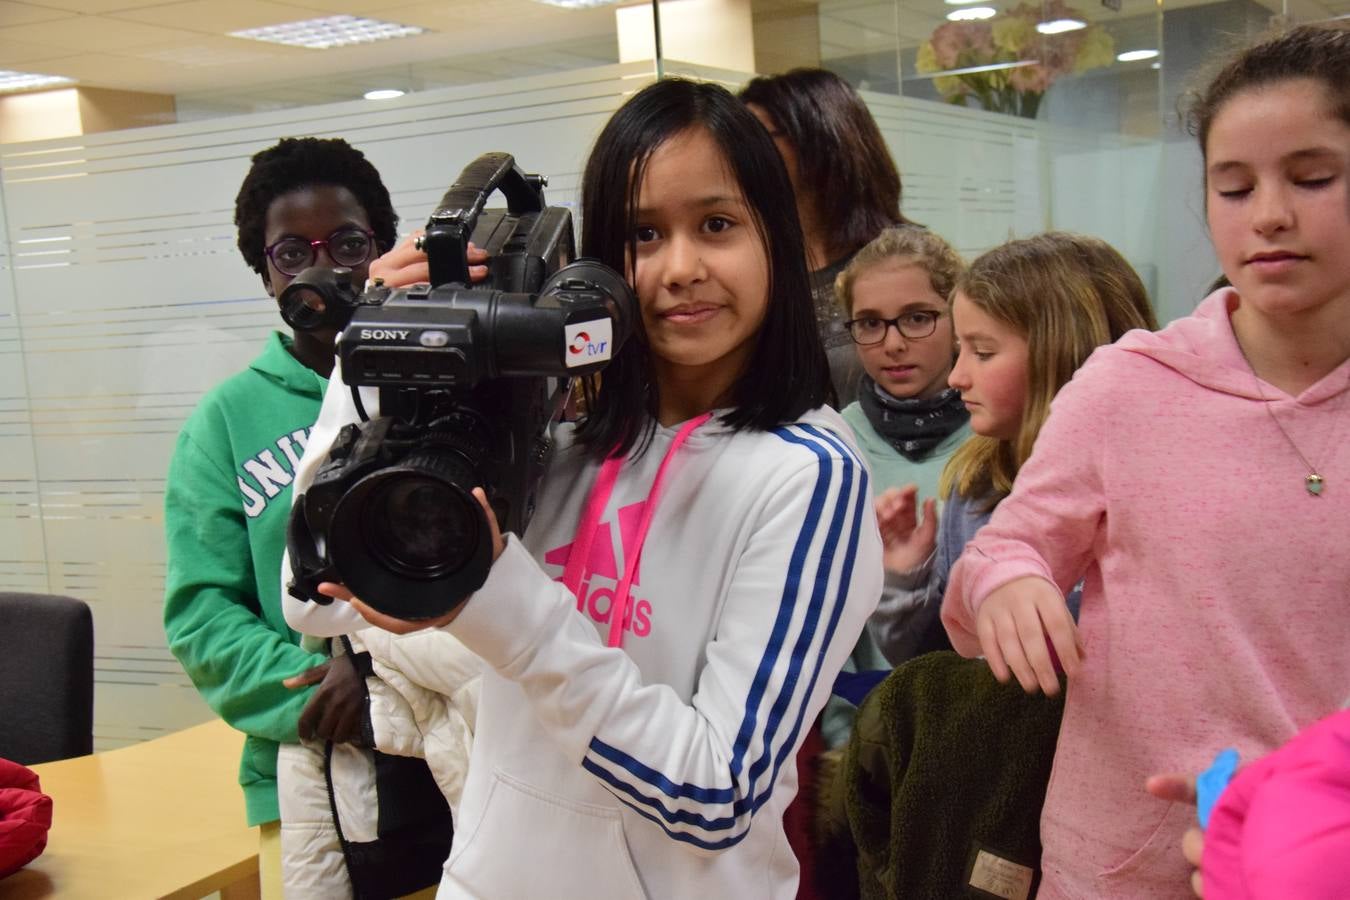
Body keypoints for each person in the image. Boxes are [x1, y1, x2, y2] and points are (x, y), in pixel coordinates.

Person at [283, 77, 883, 899]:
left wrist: (511, 613)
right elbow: (315, 598)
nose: (679, 269)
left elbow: (715, 793)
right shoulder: (558, 430)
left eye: (716, 224)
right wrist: (373, 363)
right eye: (642, 234)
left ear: (775, 239)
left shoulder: (808, 475)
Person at [940, 22, 1350, 898]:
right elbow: (1000, 552)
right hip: (1123, 860)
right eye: (1232, 187)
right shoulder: (1134, 383)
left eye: (1312, 178)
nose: (1269, 213)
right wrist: (1008, 581)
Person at [162, 136, 398, 898]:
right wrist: (319, 684)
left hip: (461, 755)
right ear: (265, 272)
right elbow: (202, 612)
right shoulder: (226, 420)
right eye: (292, 252)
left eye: (350, 244)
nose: (324, 270)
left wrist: (386, 683)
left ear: (385, 249)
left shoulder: (442, 386)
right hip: (304, 770)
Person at [872, 232, 1158, 666]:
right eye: (958, 350)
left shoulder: (1159, 495)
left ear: (1061, 355)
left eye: (983, 352)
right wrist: (904, 580)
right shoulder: (976, 487)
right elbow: (936, 664)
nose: (956, 377)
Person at [820, 225, 969, 750]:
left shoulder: (1001, 438)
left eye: (918, 317)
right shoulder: (831, 445)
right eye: (870, 324)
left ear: (959, 319)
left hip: (979, 727)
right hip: (864, 738)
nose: (893, 343)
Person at [740, 68, 917, 405]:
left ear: (819, 139)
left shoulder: (907, 260)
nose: (742, 158)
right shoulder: (754, 265)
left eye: (759, 139)